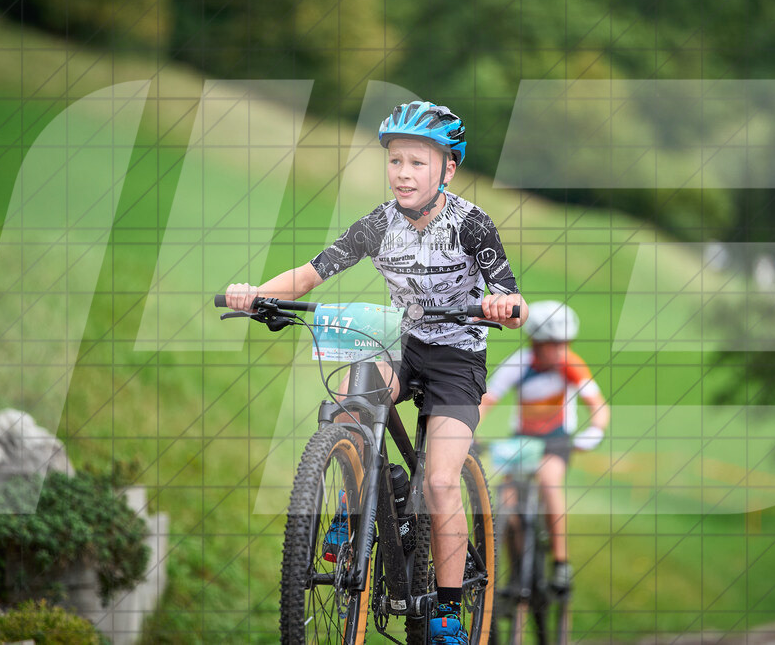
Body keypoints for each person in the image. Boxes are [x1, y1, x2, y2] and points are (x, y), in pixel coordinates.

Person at [224, 101, 528, 644]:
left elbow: (510, 292)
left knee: (439, 480)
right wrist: (255, 294)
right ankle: (352, 508)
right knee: (350, 395)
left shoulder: (471, 224)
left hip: (457, 355)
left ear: (447, 170)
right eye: (395, 161)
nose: (404, 174)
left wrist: (505, 306)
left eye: (417, 162)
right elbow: (309, 275)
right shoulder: (377, 225)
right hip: (403, 343)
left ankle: (449, 611)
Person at [479, 300, 610, 592]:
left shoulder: (570, 365)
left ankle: (561, 563)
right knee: (507, 500)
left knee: (550, 482)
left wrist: (594, 432)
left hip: (557, 441)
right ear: (536, 342)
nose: (561, 349)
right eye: (555, 343)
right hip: (523, 441)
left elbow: (598, 405)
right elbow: (487, 400)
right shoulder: (520, 363)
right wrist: (466, 428)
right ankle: (514, 571)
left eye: (565, 343)